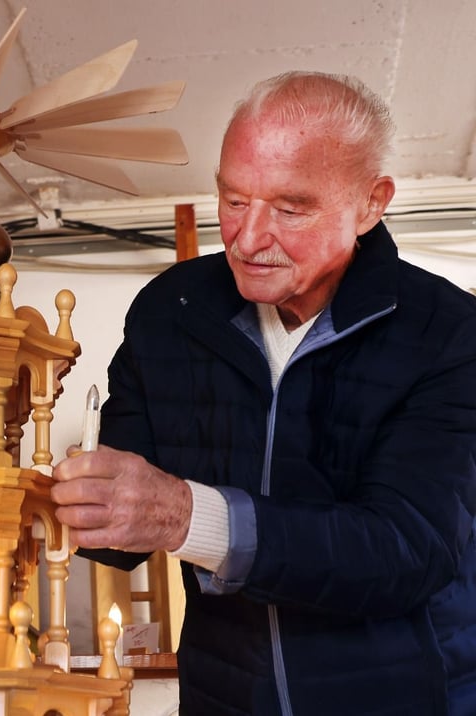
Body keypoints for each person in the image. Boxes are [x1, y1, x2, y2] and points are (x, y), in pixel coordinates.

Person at [52, 71, 476, 715]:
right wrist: (44, 495)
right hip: (224, 699)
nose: (248, 241)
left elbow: (406, 551)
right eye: (232, 201)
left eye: (289, 208)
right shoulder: (172, 311)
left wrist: (185, 514)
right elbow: (118, 536)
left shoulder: (446, 332)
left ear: (370, 202)